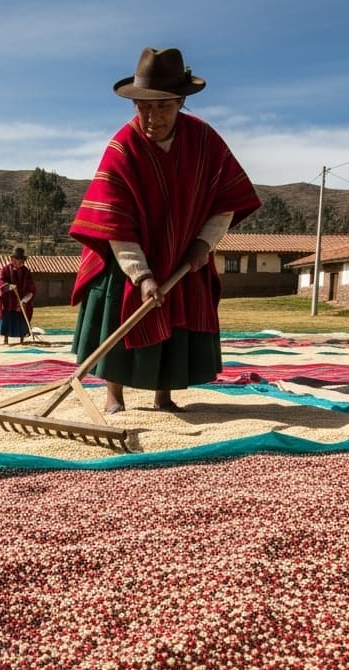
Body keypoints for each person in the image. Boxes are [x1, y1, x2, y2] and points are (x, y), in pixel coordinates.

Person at [68, 48, 262, 413]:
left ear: (181, 102)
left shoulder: (205, 141)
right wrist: (141, 276)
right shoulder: (121, 148)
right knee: (120, 315)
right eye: (143, 107)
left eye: (163, 108)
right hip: (127, 254)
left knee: (177, 318)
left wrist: (204, 243)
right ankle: (114, 394)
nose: (152, 117)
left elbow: (226, 201)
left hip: (185, 252)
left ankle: (164, 394)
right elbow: (114, 222)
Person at [0, 247, 36, 345]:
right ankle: (6, 339)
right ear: (12, 259)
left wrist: (24, 301)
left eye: (22, 260)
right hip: (8, 300)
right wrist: (9, 286)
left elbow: (31, 288)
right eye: (18, 259)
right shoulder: (5, 270)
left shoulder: (26, 271)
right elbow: (0, 282)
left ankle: (22, 339)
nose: (20, 262)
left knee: (21, 320)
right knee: (7, 319)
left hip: (21, 300)